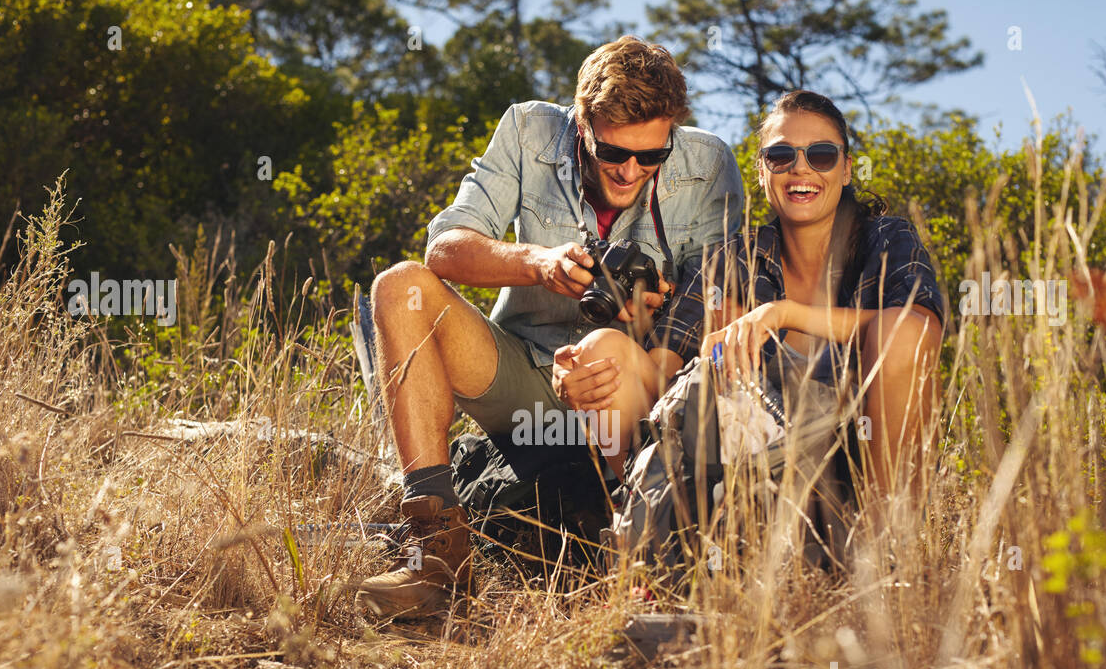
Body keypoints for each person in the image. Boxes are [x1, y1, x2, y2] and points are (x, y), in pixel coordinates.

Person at [357, 36, 745, 619]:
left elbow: (727, 300)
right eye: (614, 152)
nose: (631, 170)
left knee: (609, 353)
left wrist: (654, 316)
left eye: (652, 157)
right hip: (524, 376)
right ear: (583, 121)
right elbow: (445, 248)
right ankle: (435, 553)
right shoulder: (528, 129)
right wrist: (537, 264)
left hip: (629, 384)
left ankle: (649, 564)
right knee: (399, 286)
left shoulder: (710, 164)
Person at [670, 90, 944, 525]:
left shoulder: (887, 239)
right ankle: (656, 545)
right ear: (761, 171)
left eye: (821, 154)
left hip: (862, 469)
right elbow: (662, 366)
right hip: (757, 480)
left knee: (901, 330)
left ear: (847, 168)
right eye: (780, 155)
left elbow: (920, 328)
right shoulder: (729, 259)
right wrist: (607, 362)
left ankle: (886, 549)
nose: (801, 167)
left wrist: (785, 312)